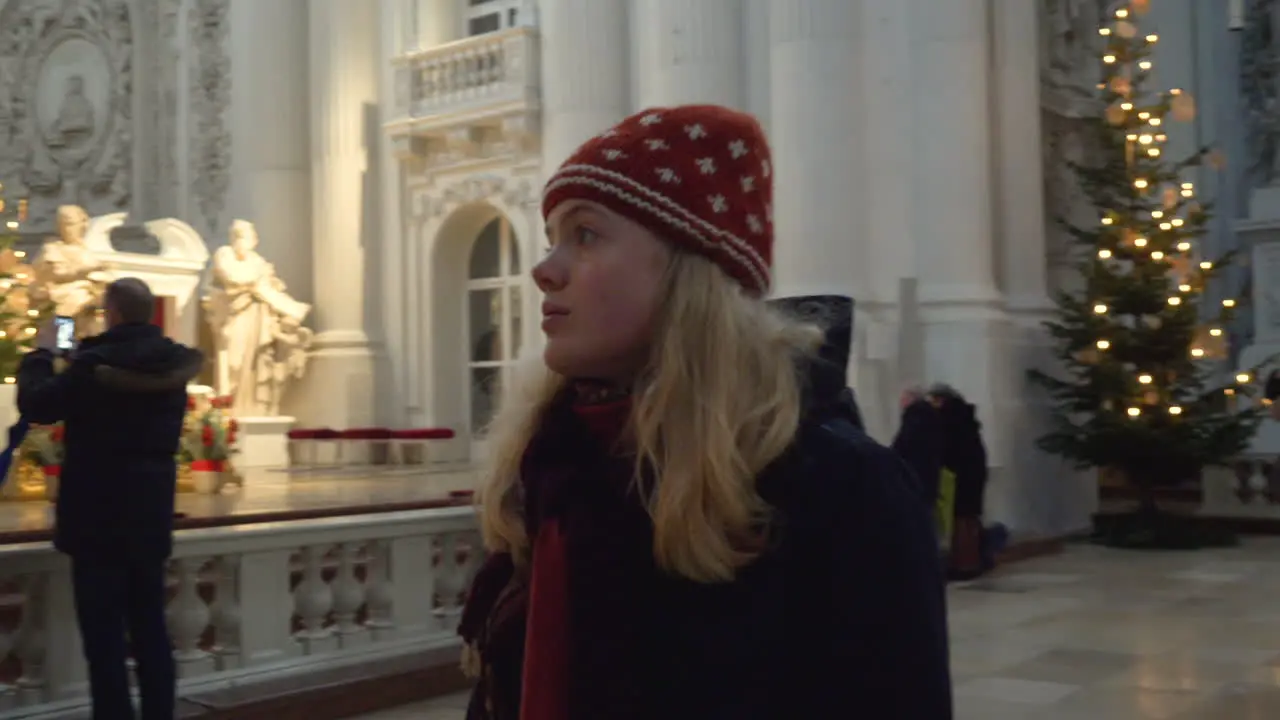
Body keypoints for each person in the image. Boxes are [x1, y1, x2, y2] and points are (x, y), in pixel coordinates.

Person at [458, 105, 951, 719]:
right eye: (552, 238)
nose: (544, 271)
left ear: (689, 271)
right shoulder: (553, 464)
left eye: (584, 234)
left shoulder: (843, 488)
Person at [18, 277, 204, 720]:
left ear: (113, 313)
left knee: (104, 638)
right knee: (150, 629)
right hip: (150, 509)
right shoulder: (171, 363)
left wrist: (42, 354)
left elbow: (38, 405)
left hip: (97, 512)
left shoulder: (94, 364)